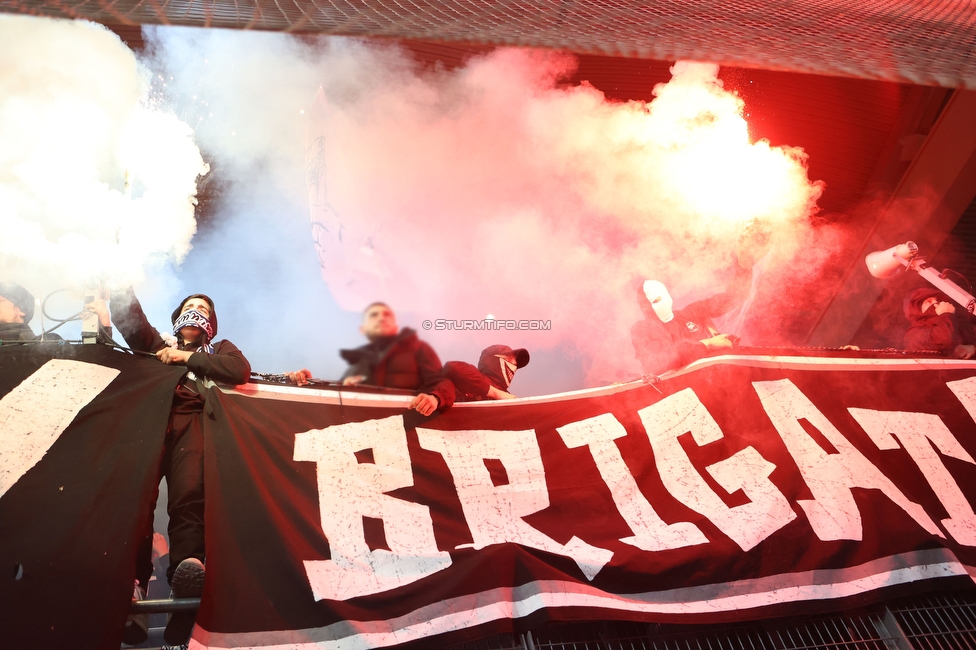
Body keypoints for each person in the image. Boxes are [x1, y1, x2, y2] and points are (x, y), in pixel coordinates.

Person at [109, 287, 251, 646]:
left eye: (202, 309)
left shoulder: (218, 351)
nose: (195, 312)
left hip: (193, 424)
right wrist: (119, 284)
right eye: (189, 307)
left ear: (210, 325)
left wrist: (184, 359)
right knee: (136, 502)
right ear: (177, 318)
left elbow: (239, 371)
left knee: (189, 498)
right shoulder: (157, 345)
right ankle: (133, 587)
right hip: (150, 423)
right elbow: (132, 323)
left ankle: (184, 586)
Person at [289, 302, 454, 415]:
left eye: (387, 314)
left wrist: (435, 397)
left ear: (396, 325)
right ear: (363, 329)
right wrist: (308, 384)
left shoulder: (418, 348)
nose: (381, 318)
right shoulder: (357, 365)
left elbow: (443, 383)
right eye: (374, 315)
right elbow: (337, 404)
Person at [631, 261, 751, 376]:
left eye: (661, 297)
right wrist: (707, 344)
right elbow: (661, 360)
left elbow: (732, 298)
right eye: (654, 301)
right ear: (645, 307)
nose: (660, 304)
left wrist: (744, 267)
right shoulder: (642, 330)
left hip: (715, 381)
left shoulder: (692, 313)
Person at [903, 287, 976, 359]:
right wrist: (946, 314)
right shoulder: (913, 334)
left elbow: (972, 335)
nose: (936, 303)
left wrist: (973, 348)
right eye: (929, 302)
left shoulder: (952, 324)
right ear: (917, 309)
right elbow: (943, 339)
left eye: (938, 300)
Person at [443, 345, 529, 401]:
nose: (513, 367)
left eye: (515, 365)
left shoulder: (508, 396)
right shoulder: (475, 376)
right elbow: (452, 367)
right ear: (492, 360)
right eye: (508, 360)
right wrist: (496, 393)